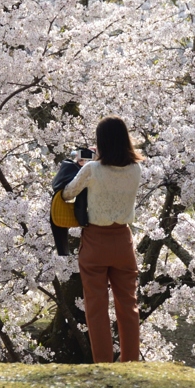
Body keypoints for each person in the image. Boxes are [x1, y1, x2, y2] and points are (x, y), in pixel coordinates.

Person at [61, 116, 143, 362]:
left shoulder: (92, 169)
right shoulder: (135, 168)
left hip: (96, 241)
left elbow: (67, 194)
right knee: (128, 304)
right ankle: (130, 361)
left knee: (96, 307)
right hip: (123, 240)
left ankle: (103, 363)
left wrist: (79, 165)